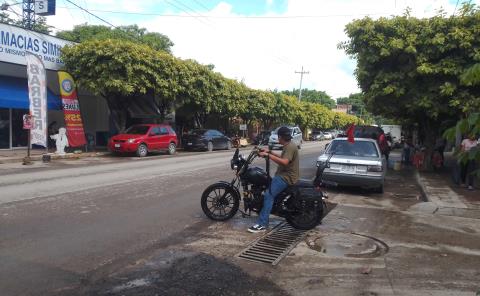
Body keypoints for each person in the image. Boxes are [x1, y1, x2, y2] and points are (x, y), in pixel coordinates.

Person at [248, 126, 299, 233]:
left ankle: (262, 224)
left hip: (286, 177)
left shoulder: (290, 147)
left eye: (278, 136)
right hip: (283, 174)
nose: (278, 138)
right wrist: (269, 152)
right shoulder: (288, 145)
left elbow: (284, 162)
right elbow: (282, 157)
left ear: (281, 137)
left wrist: (268, 155)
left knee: (268, 195)